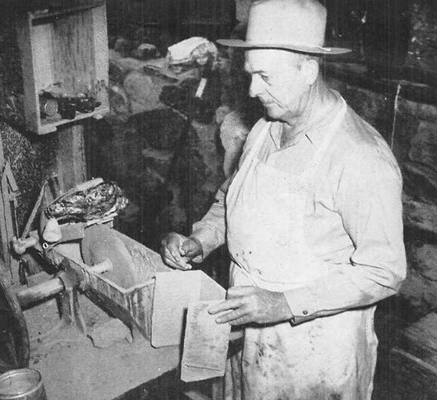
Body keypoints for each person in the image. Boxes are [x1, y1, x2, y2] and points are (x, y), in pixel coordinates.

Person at [160, 0, 407, 399]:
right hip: (248, 333)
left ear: (308, 70)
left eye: (265, 76)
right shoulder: (265, 128)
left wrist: (284, 304)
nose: (253, 90)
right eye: (250, 75)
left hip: (314, 352)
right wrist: (200, 240)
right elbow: (231, 200)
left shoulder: (360, 157)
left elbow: (384, 271)